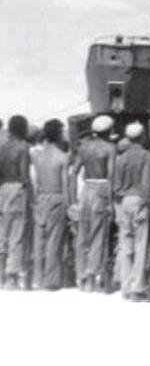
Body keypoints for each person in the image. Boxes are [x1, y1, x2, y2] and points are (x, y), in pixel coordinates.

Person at [70, 114, 117, 292]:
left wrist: (73, 200)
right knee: (98, 235)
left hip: (86, 189)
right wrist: (111, 203)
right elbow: (111, 176)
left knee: (82, 234)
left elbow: (73, 173)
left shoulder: (84, 147)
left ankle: (81, 275)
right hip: (101, 188)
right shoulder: (110, 148)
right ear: (108, 131)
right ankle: (91, 275)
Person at [114, 122, 150, 300]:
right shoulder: (147, 156)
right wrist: (148, 204)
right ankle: (137, 287)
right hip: (139, 200)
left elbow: (116, 186)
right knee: (141, 245)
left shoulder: (121, 158)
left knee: (126, 245)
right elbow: (147, 185)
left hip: (124, 201)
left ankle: (125, 286)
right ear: (142, 136)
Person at [31, 119, 68, 290]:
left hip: (41, 197)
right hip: (56, 196)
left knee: (39, 239)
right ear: (58, 134)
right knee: (54, 239)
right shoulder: (62, 157)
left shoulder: (37, 156)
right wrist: (67, 205)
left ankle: (37, 278)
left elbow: (36, 182)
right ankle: (51, 280)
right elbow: (65, 185)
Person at [0, 115, 32, 289]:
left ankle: (1, 275)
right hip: (17, 189)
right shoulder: (23, 148)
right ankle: (12, 276)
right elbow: (25, 176)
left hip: (2, 190)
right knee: (17, 235)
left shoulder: (2, 147)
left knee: (3, 234)